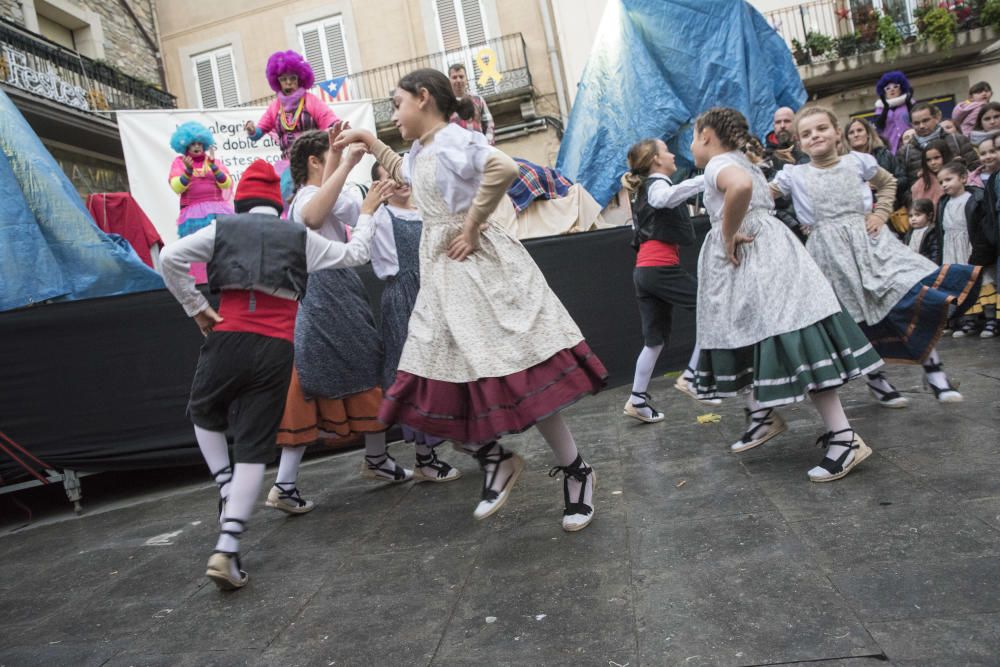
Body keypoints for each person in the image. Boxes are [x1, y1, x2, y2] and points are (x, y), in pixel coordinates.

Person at [332, 69, 607, 530]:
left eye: (397, 104)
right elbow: (403, 171)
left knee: (517, 377)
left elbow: (505, 167)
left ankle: (573, 471)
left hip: (476, 269)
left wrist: (473, 224)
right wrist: (365, 140)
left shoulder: (455, 140)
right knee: (433, 379)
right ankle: (495, 456)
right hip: (445, 278)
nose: (394, 115)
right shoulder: (422, 150)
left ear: (424, 99)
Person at [159, 159, 378, 590]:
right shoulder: (298, 236)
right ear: (277, 204)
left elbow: (169, 257)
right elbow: (357, 253)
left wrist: (196, 307)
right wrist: (367, 212)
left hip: (228, 336)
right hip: (278, 346)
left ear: (241, 202)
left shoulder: (224, 228)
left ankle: (224, 485)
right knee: (255, 449)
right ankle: (227, 547)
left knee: (204, 412)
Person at [689, 107, 882, 482]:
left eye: (694, 138)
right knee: (754, 336)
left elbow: (739, 188)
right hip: (773, 254)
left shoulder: (716, 165)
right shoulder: (742, 159)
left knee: (791, 340)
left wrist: (727, 233)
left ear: (708, 136)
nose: (693, 146)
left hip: (759, 260)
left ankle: (843, 437)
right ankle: (763, 415)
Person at [268, 126, 439, 515]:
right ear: (314, 161)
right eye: (325, 155)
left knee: (361, 370)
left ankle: (373, 460)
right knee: (317, 383)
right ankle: (286, 482)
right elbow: (313, 215)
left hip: (338, 293)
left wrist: (346, 160)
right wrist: (345, 161)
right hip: (327, 298)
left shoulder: (324, 192)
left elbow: (338, 204)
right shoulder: (305, 198)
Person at [772, 107, 979, 409]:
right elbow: (763, 194)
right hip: (829, 254)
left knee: (910, 292)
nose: (815, 135)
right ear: (801, 143)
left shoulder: (858, 162)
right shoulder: (795, 175)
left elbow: (889, 182)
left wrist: (881, 213)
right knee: (857, 318)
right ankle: (877, 380)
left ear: (836, 133)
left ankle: (933, 370)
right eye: (806, 133)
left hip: (871, 242)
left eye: (821, 128)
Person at [369, 160, 461, 479]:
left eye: (401, 175)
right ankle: (424, 456)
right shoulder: (380, 218)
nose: (401, 181)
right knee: (413, 373)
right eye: (390, 178)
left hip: (432, 292)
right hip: (402, 298)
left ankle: (461, 443)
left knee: (441, 368)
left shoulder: (423, 211)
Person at [619, 138, 718, 423]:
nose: (673, 154)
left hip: (645, 272)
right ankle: (692, 376)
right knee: (711, 310)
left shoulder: (646, 189)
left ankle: (637, 399)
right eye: (667, 150)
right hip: (659, 269)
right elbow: (663, 198)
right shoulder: (657, 186)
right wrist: (705, 178)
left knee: (654, 341)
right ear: (655, 160)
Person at [245, 50, 338, 201]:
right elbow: (258, 133)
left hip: (312, 162)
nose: (288, 83)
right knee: (289, 201)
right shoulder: (275, 107)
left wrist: (337, 129)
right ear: (277, 82)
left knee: (317, 199)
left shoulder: (310, 101)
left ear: (300, 79)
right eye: (284, 79)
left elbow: (331, 121)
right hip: (289, 166)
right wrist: (251, 130)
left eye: (292, 78)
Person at [935, 161, 997, 339]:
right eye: (941, 182)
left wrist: (980, 252)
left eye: (948, 179)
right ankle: (967, 320)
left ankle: (991, 320)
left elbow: (980, 227)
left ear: (963, 178)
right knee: (961, 286)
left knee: (984, 283)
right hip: (952, 250)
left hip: (970, 247)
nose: (944, 184)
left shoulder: (975, 198)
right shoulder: (943, 203)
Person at [168, 121, 233, 283]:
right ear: (185, 147)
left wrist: (214, 168)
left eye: (199, 143)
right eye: (192, 144)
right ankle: (203, 284)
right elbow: (177, 187)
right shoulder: (179, 162)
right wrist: (188, 171)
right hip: (193, 214)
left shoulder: (214, 162)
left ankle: (227, 280)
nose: (197, 147)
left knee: (222, 249)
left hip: (219, 212)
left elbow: (226, 184)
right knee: (198, 253)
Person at [897, 102, 980, 192]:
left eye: (925, 120)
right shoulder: (905, 151)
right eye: (916, 123)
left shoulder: (957, 140)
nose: (921, 126)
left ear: (937, 118)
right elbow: (904, 186)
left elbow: (976, 169)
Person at [762, 107, 809, 241]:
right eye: (778, 122)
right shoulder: (764, 156)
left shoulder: (807, 152)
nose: (782, 126)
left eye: (787, 121)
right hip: (775, 229)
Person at [448, 63, 495, 145]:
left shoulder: (478, 99)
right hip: (457, 152)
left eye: (461, 77)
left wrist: (487, 144)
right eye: (454, 77)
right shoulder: (445, 103)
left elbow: (489, 124)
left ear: (466, 79)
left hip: (479, 149)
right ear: (449, 80)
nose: (458, 80)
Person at [873, 70, 914, 154]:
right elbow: (879, 126)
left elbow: (914, 120)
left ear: (901, 88)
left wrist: (908, 103)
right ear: (884, 92)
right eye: (888, 88)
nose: (892, 90)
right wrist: (885, 109)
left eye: (895, 86)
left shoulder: (910, 102)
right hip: (891, 149)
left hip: (910, 146)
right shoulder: (880, 107)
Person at [909, 139, 952, 212]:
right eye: (928, 160)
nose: (933, 163)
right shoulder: (920, 184)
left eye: (936, 158)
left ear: (945, 156)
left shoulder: (958, 175)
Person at [904, 198, 940, 264]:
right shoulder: (910, 232)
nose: (913, 219)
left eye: (917, 215)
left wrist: (933, 267)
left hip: (926, 266)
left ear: (929, 216)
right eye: (911, 216)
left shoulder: (932, 232)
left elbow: (935, 252)